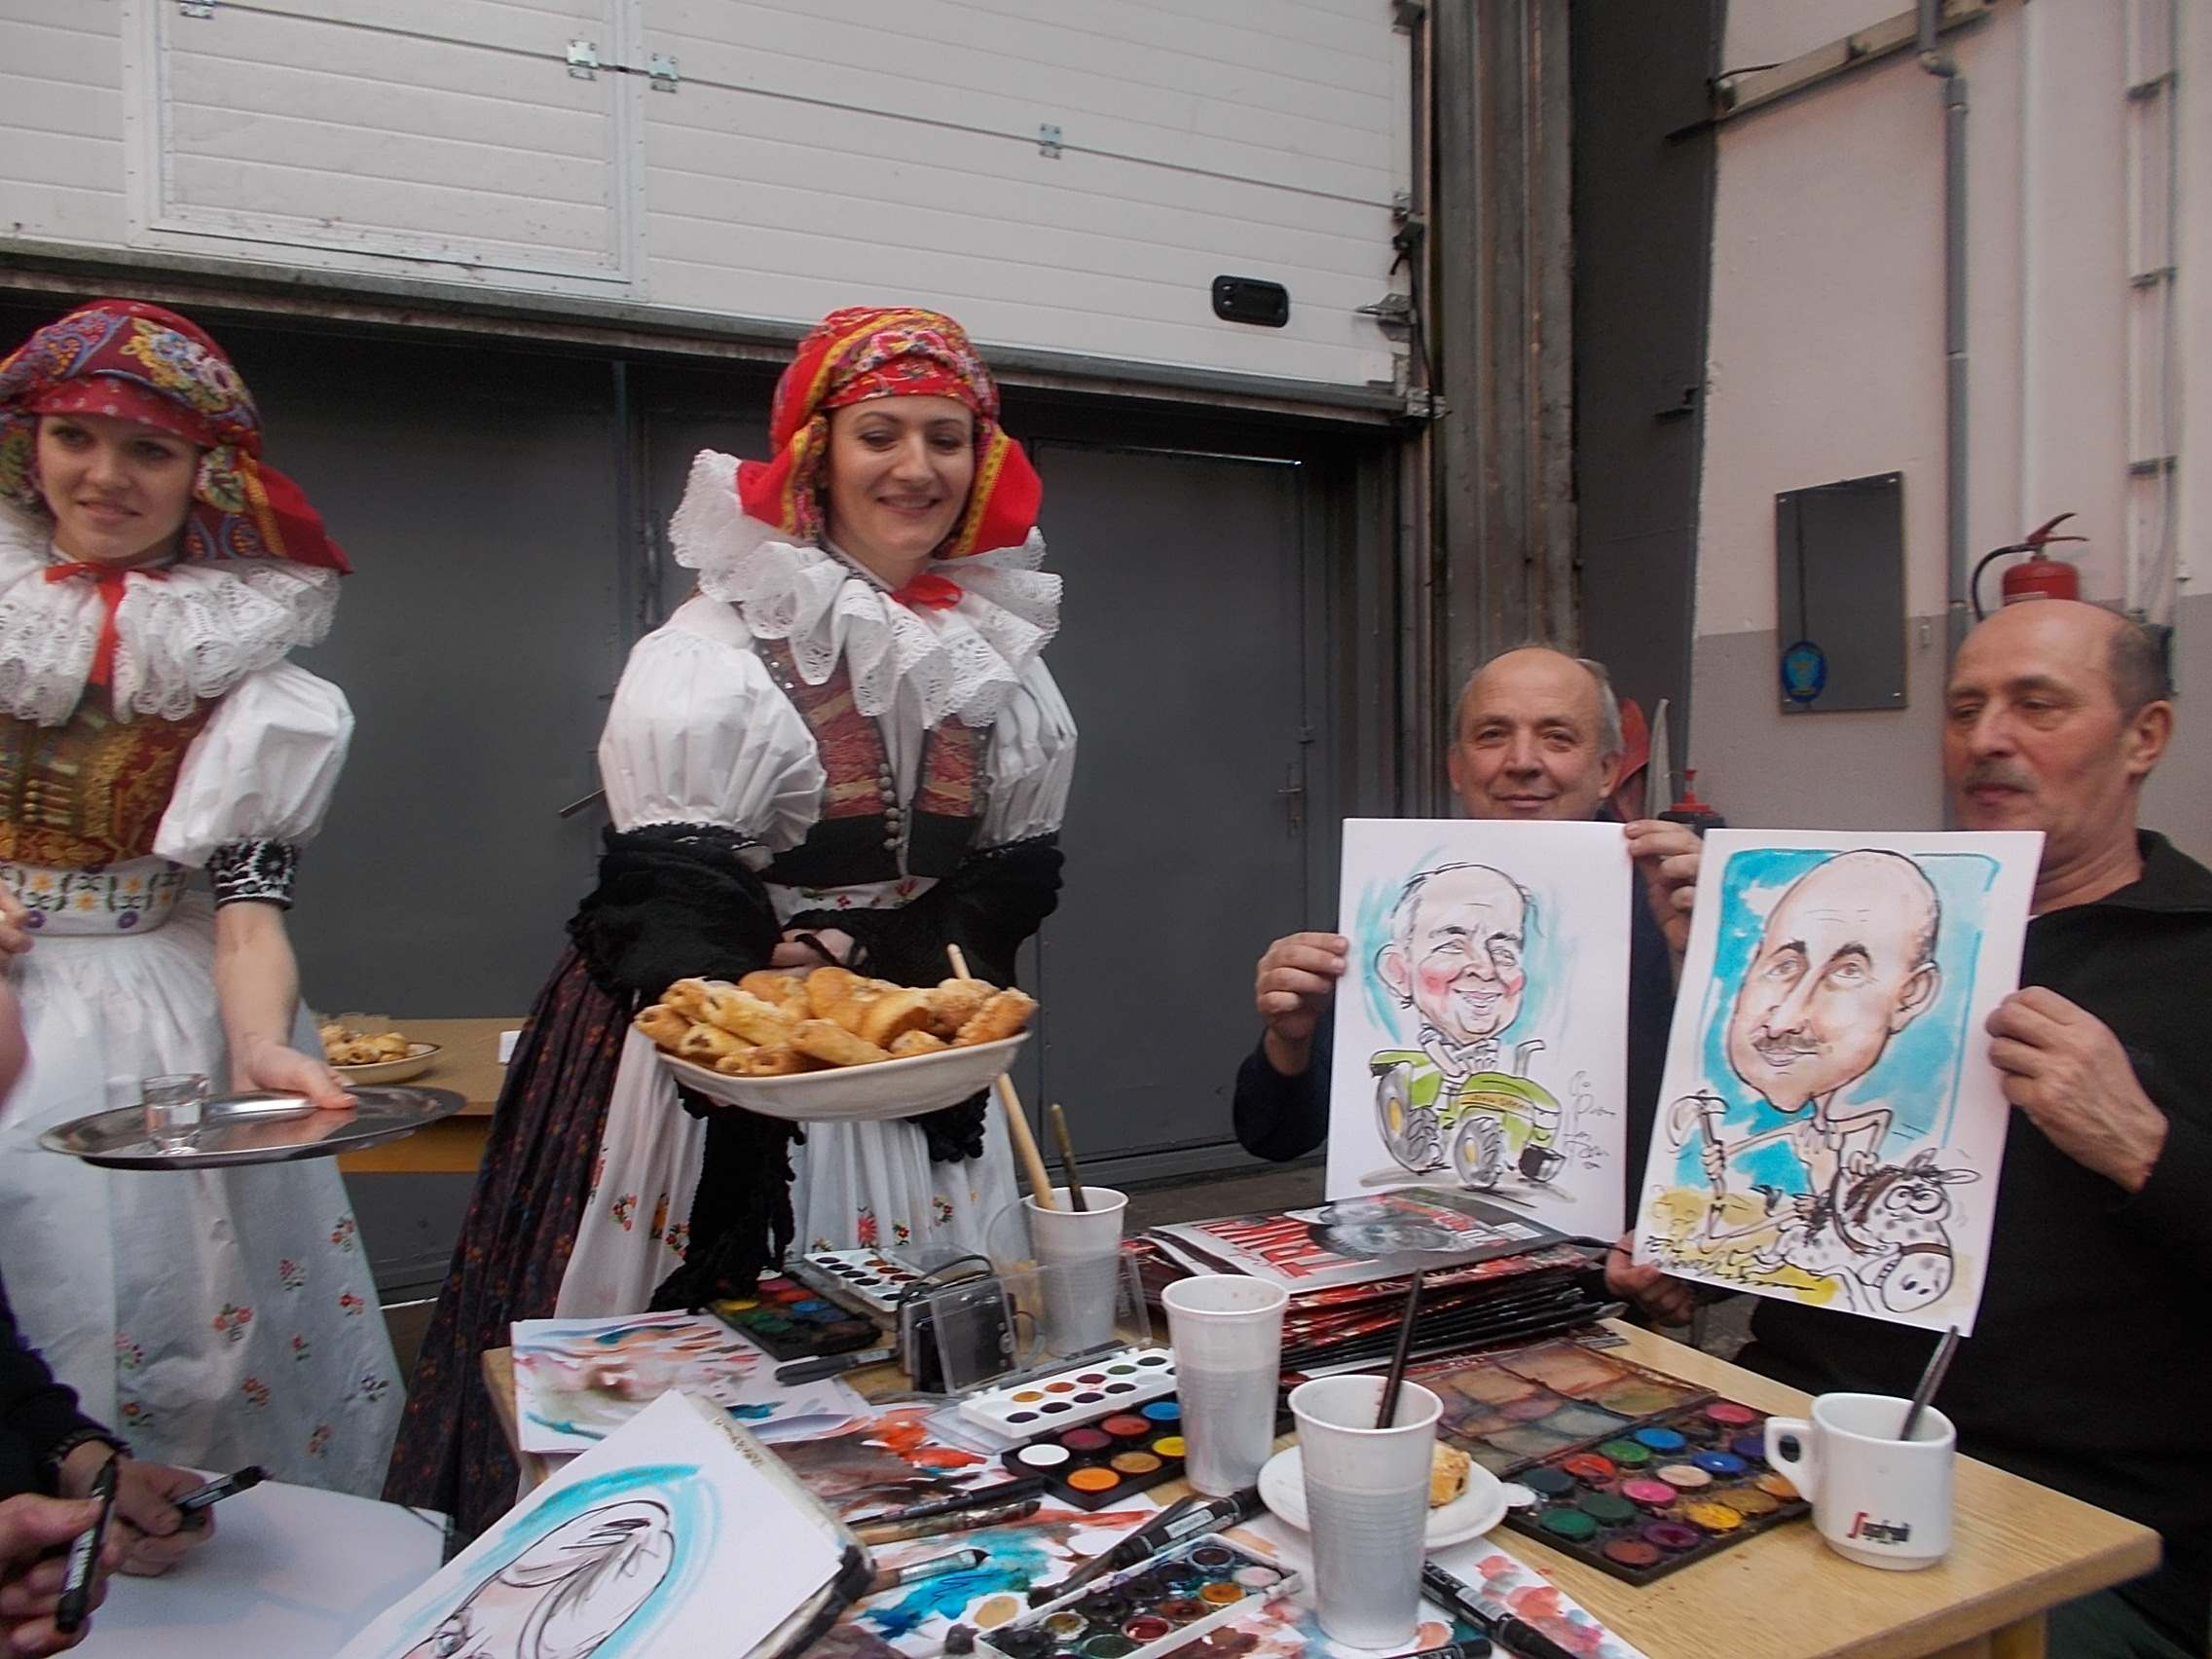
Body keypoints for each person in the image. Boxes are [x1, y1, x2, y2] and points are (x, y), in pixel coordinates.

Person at [390, 306, 1075, 1537]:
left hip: (911, 1054)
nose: (915, 467)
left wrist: (871, 959)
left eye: (945, 438)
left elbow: (1010, 879)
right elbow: (668, 890)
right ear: (817, 452)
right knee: (715, 1370)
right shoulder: (715, 642)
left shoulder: (992, 651)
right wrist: (779, 989)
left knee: (920, 1376)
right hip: (719, 1055)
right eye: (879, 434)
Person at [1736, 601, 2208, 1659]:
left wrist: (2143, 1147)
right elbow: (1793, 1212)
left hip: (2064, 1518)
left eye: (2037, 706)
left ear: (2145, 736)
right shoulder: (1894, 943)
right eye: (1964, 709)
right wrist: (1689, 1252)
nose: (1987, 738)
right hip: (1786, 1435)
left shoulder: (2196, 957)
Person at [0, 300, 399, 1496]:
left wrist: (260, 1047)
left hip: (155, 1013)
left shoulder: (242, 668)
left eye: (149, 451)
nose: (105, 476)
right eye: (76, 437)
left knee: (192, 1328)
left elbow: (244, 908)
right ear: (29, 444)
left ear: (204, 473)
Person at [1233, 645, 1700, 1320]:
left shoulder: (1678, 906)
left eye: (1557, 737)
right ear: (1457, 767)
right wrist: (1289, 1038)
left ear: (1606, 770)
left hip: (1599, 1298)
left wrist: (1680, 1269)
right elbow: (1274, 1137)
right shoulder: (1407, 900)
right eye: (1492, 735)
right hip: (1415, 1287)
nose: (1523, 761)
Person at [1711, 849, 1943, 1194]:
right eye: (1785, 965)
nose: (1783, 1022)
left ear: (1910, 995)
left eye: (1848, 972)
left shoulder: (1902, 1149)